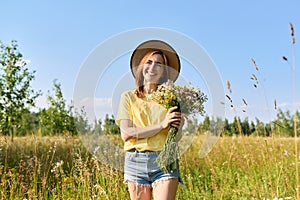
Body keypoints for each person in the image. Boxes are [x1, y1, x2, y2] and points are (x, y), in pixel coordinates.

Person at [116, 40, 185, 200]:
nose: (153, 67)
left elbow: (176, 137)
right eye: (149, 62)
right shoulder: (128, 97)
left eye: (159, 64)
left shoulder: (171, 99)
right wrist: (162, 124)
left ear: (164, 71)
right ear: (141, 66)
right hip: (135, 161)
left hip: (165, 161)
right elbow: (127, 134)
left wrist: (178, 127)